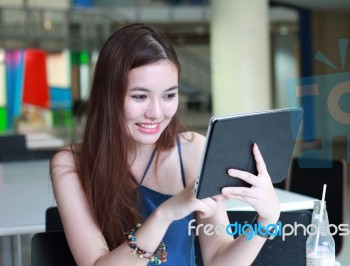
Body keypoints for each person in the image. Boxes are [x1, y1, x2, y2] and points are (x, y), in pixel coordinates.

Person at [50, 23, 280, 266]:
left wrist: (267, 220)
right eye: (140, 96)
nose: (156, 113)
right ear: (108, 96)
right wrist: (167, 213)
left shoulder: (193, 151)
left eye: (169, 95)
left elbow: (218, 261)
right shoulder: (70, 164)